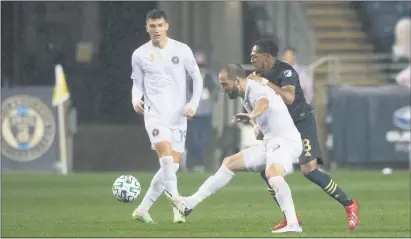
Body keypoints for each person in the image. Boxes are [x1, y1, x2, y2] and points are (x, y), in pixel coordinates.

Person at [167, 63, 303, 233]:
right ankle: (189, 204)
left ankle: (293, 223)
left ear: (237, 82)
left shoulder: (254, 88)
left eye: (225, 84)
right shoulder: (243, 95)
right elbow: (263, 118)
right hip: (271, 142)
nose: (223, 89)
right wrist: (256, 126)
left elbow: (264, 102)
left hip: (286, 141)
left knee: (272, 172)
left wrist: (252, 115)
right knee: (230, 162)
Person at [247, 39, 360, 230]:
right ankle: (291, 218)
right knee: (266, 171)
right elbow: (254, 102)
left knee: (310, 170)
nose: (251, 60)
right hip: (279, 128)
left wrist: (265, 82)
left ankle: (350, 205)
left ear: (267, 57)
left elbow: (290, 97)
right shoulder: (256, 76)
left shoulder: (286, 71)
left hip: (300, 123)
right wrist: (256, 123)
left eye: (254, 56)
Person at [130, 9, 203, 224]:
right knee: (166, 158)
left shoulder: (182, 50)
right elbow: (136, 84)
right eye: (152, 26)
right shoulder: (139, 54)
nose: (156, 30)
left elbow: (197, 78)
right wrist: (136, 99)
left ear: (166, 26)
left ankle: (143, 209)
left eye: (160, 25)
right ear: (147, 28)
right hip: (155, 115)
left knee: (172, 166)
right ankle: (178, 205)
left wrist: (193, 103)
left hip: (178, 116)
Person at [186, 51, 219, 172]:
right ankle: (193, 162)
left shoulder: (210, 75)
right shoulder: (189, 77)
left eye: (201, 65)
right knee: (193, 139)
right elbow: (185, 93)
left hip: (206, 112)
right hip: (193, 113)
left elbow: (218, 88)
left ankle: (201, 163)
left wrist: (212, 92)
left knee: (204, 139)